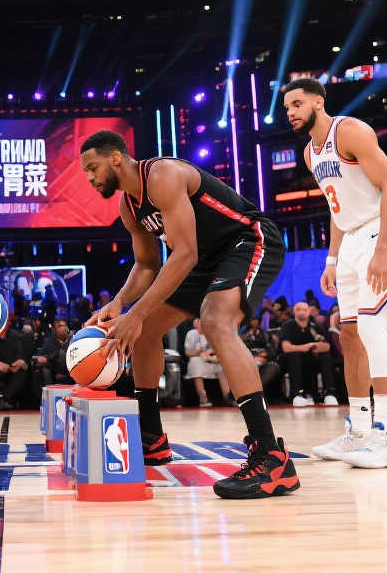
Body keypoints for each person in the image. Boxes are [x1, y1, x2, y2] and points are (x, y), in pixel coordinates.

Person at [80, 130, 297, 499]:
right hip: (205, 258)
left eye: (92, 167)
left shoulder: (162, 175)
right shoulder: (129, 207)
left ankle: (271, 456)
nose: (89, 177)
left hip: (247, 239)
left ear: (115, 158)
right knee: (145, 331)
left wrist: (136, 313)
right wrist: (120, 303)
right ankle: (152, 438)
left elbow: (184, 254)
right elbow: (146, 265)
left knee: (215, 321)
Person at [285, 77, 387, 469]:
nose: (290, 112)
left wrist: (383, 249)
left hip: (382, 228)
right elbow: (336, 207)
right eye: (287, 107)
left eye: (296, 104)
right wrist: (331, 260)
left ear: (318, 102)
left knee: (373, 328)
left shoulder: (350, 131)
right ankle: (358, 429)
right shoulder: (310, 153)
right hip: (352, 238)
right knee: (351, 335)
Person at [279, 302, 337, 407]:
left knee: (326, 356)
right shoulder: (288, 325)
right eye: (298, 309)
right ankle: (296, 395)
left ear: (309, 312)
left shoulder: (315, 326)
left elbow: (326, 346)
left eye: (305, 310)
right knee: (295, 355)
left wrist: (315, 346)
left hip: (311, 359)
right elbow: (286, 347)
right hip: (291, 360)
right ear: (294, 311)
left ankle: (329, 393)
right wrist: (304, 347)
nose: (302, 312)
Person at [184, 316, 231, 407]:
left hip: (210, 360)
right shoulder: (191, 333)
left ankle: (228, 397)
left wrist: (210, 351)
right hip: (197, 359)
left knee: (222, 367)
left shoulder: (211, 333)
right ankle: (203, 398)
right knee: (196, 362)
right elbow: (188, 353)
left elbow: (218, 348)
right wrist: (200, 351)